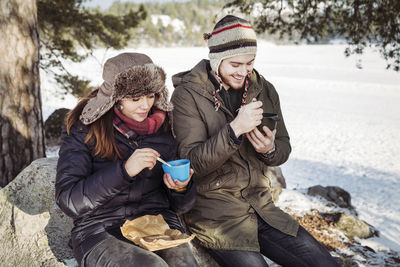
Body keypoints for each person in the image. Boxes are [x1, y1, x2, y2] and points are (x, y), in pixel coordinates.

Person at [171, 15, 339, 267]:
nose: (243, 71)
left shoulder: (264, 88)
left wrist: (270, 150)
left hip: (262, 207)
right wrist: (234, 130)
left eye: (249, 63)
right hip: (217, 215)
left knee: (324, 263)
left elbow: (284, 148)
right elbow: (192, 163)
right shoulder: (188, 95)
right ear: (217, 60)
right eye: (235, 64)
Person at [56, 53, 198, 267]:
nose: (146, 106)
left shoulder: (164, 127)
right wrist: (124, 171)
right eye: (135, 99)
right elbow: (69, 201)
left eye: (151, 96)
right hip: (100, 229)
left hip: (154, 223)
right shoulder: (84, 129)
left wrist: (181, 188)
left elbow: (180, 206)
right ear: (116, 97)